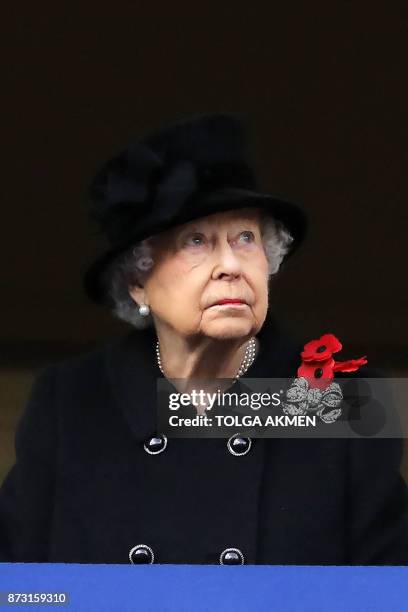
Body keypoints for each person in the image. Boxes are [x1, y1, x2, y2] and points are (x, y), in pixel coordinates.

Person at [1, 112, 408, 565]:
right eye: (196, 241)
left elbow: (388, 591)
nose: (230, 264)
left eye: (246, 238)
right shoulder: (71, 402)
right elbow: (20, 587)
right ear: (137, 282)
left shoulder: (343, 398)